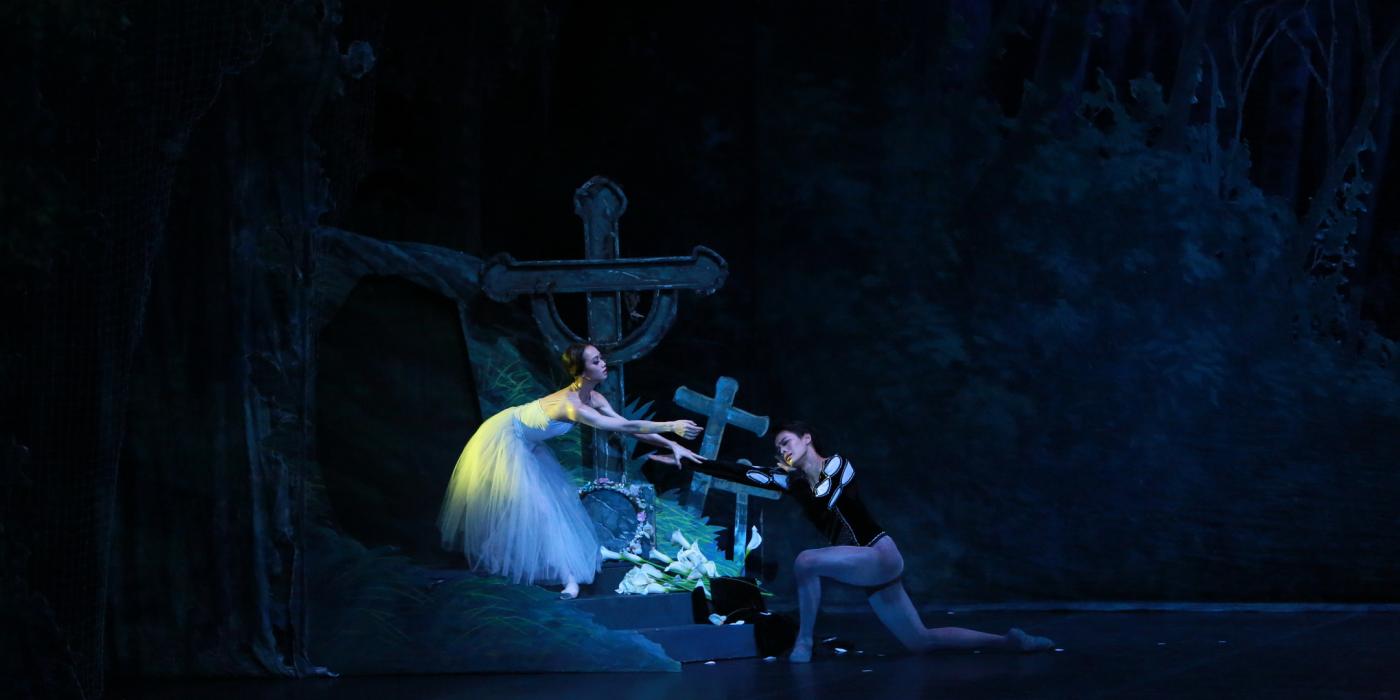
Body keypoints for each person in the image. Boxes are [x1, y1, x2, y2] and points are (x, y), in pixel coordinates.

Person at [652, 420, 1054, 661]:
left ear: (807, 439)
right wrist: (689, 459)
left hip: (879, 552)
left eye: (786, 444)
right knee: (921, 641)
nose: (782, 452)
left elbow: (828, 491)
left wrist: (791, 477)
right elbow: (739, 474)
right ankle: (1009, 641)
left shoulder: (836, 464)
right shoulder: (792, 480)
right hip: (865, 567)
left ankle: (804, 643)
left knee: (806, 560)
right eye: (777, 449)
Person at [439, 343, 704, 599]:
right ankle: (569, 580)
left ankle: (497, 554)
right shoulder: (571, 406)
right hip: (506, 436)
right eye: (596, 361)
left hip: (531, 442)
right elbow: (619, 427)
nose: (603, 364)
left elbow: (626, 425)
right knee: (542, 509)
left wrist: (673, 444)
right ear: (582, 372)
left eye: (601, 358)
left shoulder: (595, 397)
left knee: (539, 505)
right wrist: (671, 425)